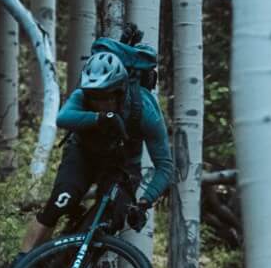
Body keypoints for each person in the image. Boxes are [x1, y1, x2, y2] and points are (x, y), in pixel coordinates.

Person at [18, 44, 174, 256]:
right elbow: (62, 118)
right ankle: (20, 267)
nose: (100, 102)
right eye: (95, 97)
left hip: (121, 167)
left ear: (121, 91)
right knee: (60, 201)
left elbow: (165, 165)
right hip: (82, 154)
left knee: (106, 222)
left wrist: (145, 201)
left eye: (107, 97)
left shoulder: (145, 109)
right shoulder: (84, 95)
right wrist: (101, 118)